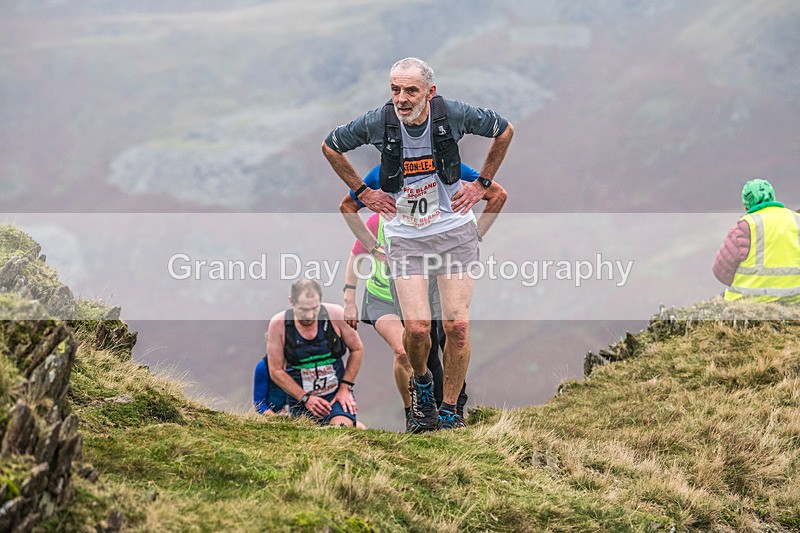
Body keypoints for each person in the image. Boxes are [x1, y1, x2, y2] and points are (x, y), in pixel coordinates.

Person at [323, 57, 514, 431]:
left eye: (411, 90)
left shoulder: (453, 115)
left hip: (454, 231)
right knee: (417, 328)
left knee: (457, 326)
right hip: (407, 238)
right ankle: (423, 385)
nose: (402, 98)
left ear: (430, 92)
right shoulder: (378, 122)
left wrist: (482, 185)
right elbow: (331, 146)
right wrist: (364, 192)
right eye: (395, 89)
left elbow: (504, 131)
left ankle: (450, 411)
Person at [340, 163, 508, 431]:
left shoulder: (447, 163)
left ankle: (451, 410)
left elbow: (497, 193)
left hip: (437, 279)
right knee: (412, 345)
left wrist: (473, 237)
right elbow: (349, 212)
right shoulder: (383, 178)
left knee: (452, 335)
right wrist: (355, 284)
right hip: (392, 290)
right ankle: (418, 413)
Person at [266, 279, 365, 427]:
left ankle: (352, 424)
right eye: (303, 310)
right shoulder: (279, 324)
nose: (310, 315)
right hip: (301, 401)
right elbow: (276, 370)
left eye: (315, 308)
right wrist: (305, 398)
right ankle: (359, 428)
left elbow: (357, 349)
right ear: (291, 302)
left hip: (335, 397)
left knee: (339, 430)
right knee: (309, 438)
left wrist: (345, 388)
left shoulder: (335, 314)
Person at [713, 178, 800, 303]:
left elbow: (721, 271)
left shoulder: (745, 226)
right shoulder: (796, 219)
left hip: (752, 299)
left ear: (746, 203)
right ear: (772, 196)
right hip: (795, 297)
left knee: (717, 300)